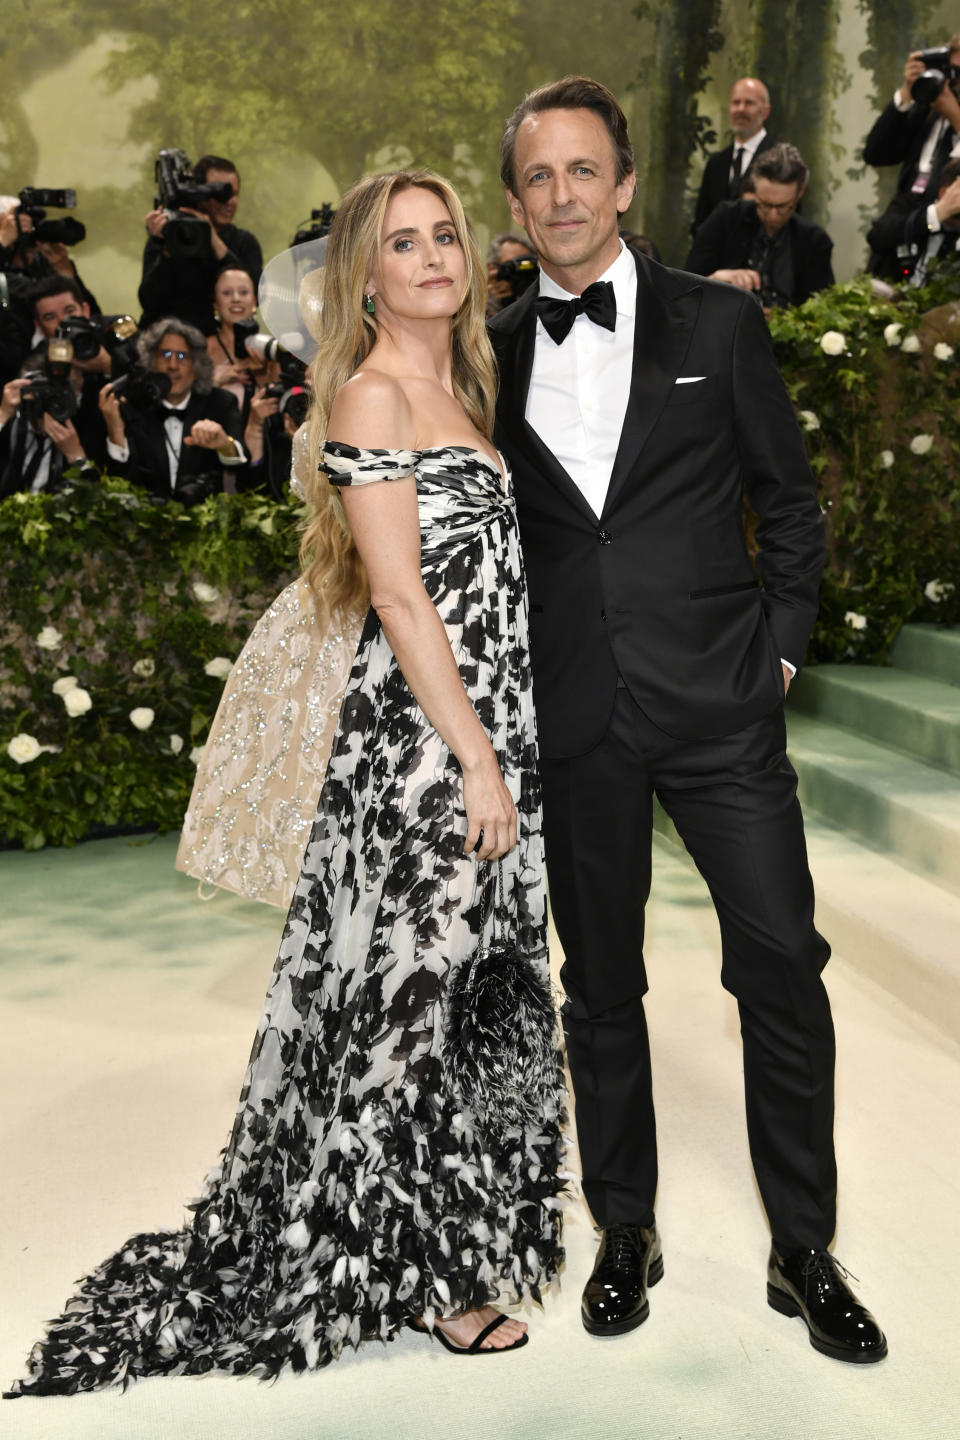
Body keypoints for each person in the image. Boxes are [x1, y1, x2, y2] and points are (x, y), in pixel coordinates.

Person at [8, 168, 564, 1397]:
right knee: (414, 1001)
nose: (432, 260)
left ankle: (443, 1238)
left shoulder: (458, 382)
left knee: (466, 989)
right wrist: (473, 757)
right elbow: (403, 597)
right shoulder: (372, 390)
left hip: (484, 730)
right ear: (364, 273)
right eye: (403, 244)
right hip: (425, 746)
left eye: (446, 238)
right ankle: (420, 1272)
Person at [488, 74, 886, 1363]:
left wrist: (775, 659)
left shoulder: (720, 325)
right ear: (516, 199)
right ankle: (626, 1226)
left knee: (780, 963)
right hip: (576, 717)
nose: (561, 196)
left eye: (582, 171)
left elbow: (793, 505)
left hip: (723, 708)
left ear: (624, 182)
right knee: (601, 987)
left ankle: (804, 1246)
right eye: (538, 177)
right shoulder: (480, 351)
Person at [99, 317, 246, 505]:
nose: (173, 365)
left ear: (196, 364)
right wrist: (116, 433)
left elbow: (243, 465)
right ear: (150, 361)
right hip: (145, 524)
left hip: (206, 525)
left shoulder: (220, 402)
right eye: (165, 355)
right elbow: (116, 484)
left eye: (182, 356)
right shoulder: (132, 406)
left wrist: (224, 444)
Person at [685, 144, 834, 308]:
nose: (772, 215)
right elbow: (685, 286)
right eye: (764, 204)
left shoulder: (814, 241)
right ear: (754, 191)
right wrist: (714, 279)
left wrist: (784, 318)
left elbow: (821, 309)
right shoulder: (725, 218)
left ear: (799, 194)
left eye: (783, 207)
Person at [864, 37, 960, 270]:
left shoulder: (948, 108)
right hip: (905, 230)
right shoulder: (931, 105)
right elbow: (877, 153)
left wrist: (956, 118)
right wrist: (907, 93)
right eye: (954, 70)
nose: (956, 81)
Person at [139, 156, 263, 335]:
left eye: (233, 194)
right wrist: (165, 246)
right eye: (219, 194)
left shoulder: (244, 242)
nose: (228, 201)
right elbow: (150, 303)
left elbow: (254, 296)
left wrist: (212, 238)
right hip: (171, 345)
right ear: (199, 194)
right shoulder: (171, 236)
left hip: (223, 348)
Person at [691, 77, 775, 235]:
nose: (740, 109)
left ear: (765, 111)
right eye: (736, 103)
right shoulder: (716, 164)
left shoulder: (779, 161)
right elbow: (700, 223)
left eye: (749, 103)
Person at [867, 155, 960, 285]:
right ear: (944, 192)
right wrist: (935, 215)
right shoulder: (913, 203)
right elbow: (877, 237)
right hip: (889, 295)